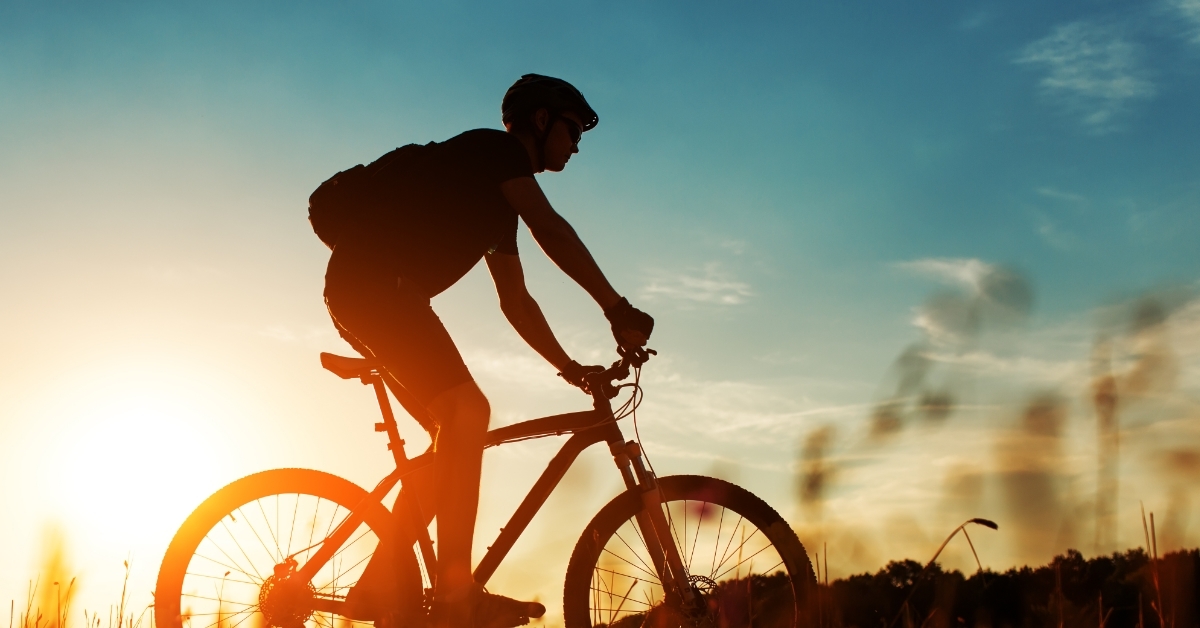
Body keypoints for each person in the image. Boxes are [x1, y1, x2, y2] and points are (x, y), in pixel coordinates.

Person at [321, 74, 654, 628]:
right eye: (572, 130)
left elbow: (516, 301)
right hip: (376, 288)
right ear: (542, 120)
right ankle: (457, 595)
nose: (576, 146)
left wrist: (571, 369)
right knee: (468, 412)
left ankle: (378, 586)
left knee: (449, 440)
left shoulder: (497, 206)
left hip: (376, 292)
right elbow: (551, 227)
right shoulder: (495, 151)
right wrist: (615, 307)